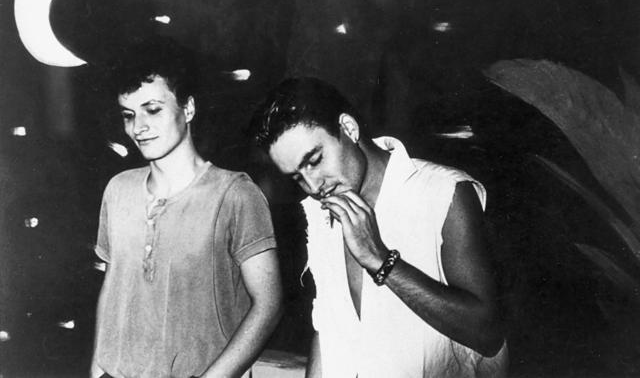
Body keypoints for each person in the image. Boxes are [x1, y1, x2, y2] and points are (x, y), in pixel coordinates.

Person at [250, 77, 508, 378]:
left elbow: (487, 333)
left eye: (315, 160)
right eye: (297, 177)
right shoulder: (320, 213)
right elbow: (329, 330)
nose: (313, 185)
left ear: (349, 128)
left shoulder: (443, 192)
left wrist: (381, 261)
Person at [91, 41, 283, 378]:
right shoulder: (118, 190)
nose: (138, 127)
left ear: (189, 108)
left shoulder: (235, 194)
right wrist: (97, 371)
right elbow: (111, 291)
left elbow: (268, 304)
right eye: (128, 115)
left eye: (153, 110)